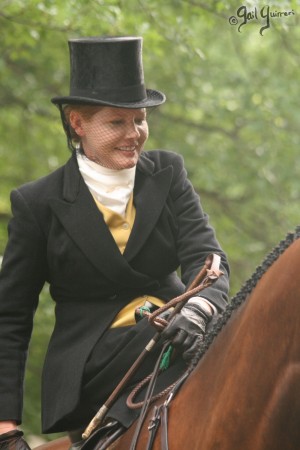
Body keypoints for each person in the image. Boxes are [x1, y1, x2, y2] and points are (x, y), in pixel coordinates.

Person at [0, 36, 229, 448]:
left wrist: (199, 308)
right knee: (163, 339)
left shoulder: (169, 171)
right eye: (117, 123)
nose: (134, 135)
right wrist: (4, 428)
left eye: (140, 120)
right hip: (94, 360)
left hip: (179, 331)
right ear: (78, 123)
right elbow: (10, 320)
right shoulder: (37, 204)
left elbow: (205, 254)